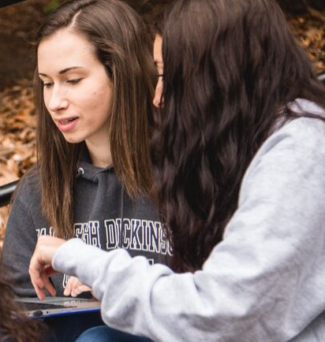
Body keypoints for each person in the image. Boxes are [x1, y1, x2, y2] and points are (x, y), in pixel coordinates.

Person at [29, 0, 325, 341]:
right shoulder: (247, 146)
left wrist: (83, 260)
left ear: (216, 73)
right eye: (46, 83)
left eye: (166, 76)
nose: (157, 97)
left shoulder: (299, 155)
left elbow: (223, 313)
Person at [1, 0, 171, 299]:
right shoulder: (37, 191)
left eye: (73, 80)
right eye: (47, 83)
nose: (55, 102)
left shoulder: (187, 174)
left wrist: (117, 290)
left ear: (122, 73)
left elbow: (216, 303)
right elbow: (18, 319)